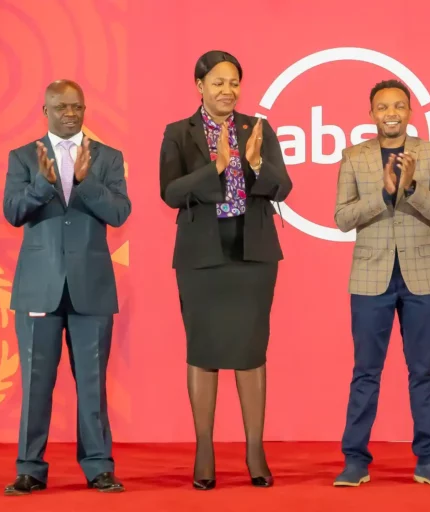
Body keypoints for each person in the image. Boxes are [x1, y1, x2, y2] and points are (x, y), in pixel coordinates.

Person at [159, 50, 292, 490]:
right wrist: (214, 167)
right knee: (204, 351)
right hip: (202, 257)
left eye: (233, 82)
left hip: (253, 253)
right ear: (199, 86)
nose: (227, 90)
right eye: (217, 82)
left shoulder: (258, 129)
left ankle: (255, 451)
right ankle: (204, 451)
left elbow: (283, 188)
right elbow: (170, 192)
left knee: (252, 351)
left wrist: (254, 162)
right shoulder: (179, 133)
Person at [2, 80, 130, 495]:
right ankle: (29, 469)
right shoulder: (23, 157)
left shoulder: (107, 158)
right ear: (45, 110)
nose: (70, 113)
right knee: (36, 383)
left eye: (76, 106)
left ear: (85, 108)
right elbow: (13, 212)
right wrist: (43, 183)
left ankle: (98, 467)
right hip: (39, 287)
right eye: (60, 107)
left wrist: (85, 180)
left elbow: (118, 212)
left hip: (91, 288)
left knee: (92, 382)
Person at [333, 79, 430, 487]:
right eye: (383, 107)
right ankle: (355, 459)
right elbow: (342, 217)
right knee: (365, 371)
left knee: (423, 371)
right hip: (370, 277)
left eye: (399, 106)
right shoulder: (354, 156)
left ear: (410, 112)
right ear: (371, 114)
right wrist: (385, 195)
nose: (391, 113)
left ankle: (428, 459)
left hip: (421, 276)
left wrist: (412, 188)